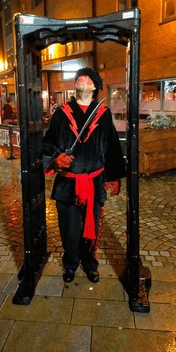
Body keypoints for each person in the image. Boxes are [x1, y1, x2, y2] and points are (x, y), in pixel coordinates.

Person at [43, 67, 126, 284]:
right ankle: (70, 263)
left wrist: (114, 176)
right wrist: (57, 157)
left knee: (92, 226)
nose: (82, 78)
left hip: (94, 181)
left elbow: (112, 147)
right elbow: (47, 142)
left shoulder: (103, 113)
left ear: (95, 86)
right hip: (68, 182)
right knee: (68, 228)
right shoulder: (62, 113)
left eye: (88, 77)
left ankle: (90, 264)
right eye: (79, 76)